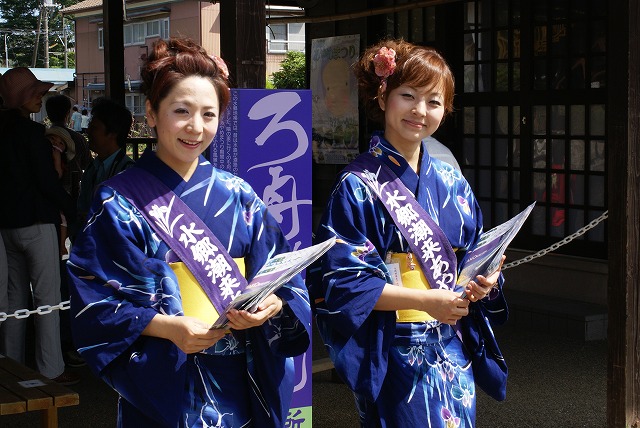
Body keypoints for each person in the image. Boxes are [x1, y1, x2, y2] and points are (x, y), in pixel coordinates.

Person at [67, 37, 311, 427]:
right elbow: (95, 297)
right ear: (151, 112)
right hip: (165, 378)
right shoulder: (119, 200)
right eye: (181, 110)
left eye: (209, 114)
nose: (196, 127)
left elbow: (281, 275)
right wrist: (167, 327)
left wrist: (273, 305)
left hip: (239, 382)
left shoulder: (239, 195)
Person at [310, 40, 507, 427]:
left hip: (452, 346)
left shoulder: (452, 182)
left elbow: (475, 254)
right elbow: (342, 283)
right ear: (383, 96)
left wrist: (486, 281)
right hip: (393, 348)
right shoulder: (358, 185)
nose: (420, 110)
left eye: (434, 101)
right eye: (408, 96)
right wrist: (425, 300)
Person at [0, 67, 79, 386]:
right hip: (38, 222)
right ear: (22, 98)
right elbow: (47, 182)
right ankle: (51, 369)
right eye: (35, 93)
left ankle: (11, 366)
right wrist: (73, 210)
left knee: (14, 299)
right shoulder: (33, 134)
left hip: (7, 225)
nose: (41, 97)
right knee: (47, 298)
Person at [74, 97, 134, 234]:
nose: (88, 131)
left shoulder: (127, 172)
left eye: (94, 127)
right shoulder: (93, 167)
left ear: (112, 133)